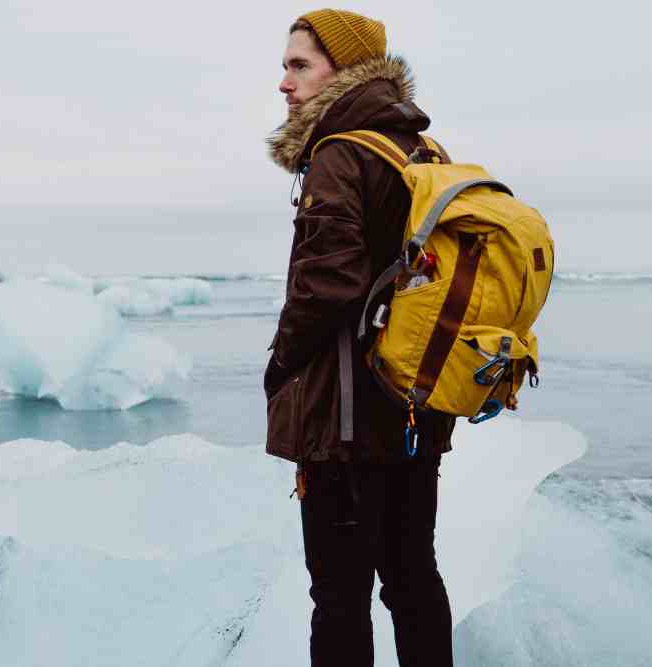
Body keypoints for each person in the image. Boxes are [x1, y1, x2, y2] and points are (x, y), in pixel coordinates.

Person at [264, 9, 456, 666]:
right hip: (415, 409)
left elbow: (329, 283)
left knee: (340, 597)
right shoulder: (422, 151)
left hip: (345, 425)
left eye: (299, 65)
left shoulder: (340, 152)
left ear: (343, 71)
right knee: (412, 578)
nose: (284, 84)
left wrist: (280, 363)